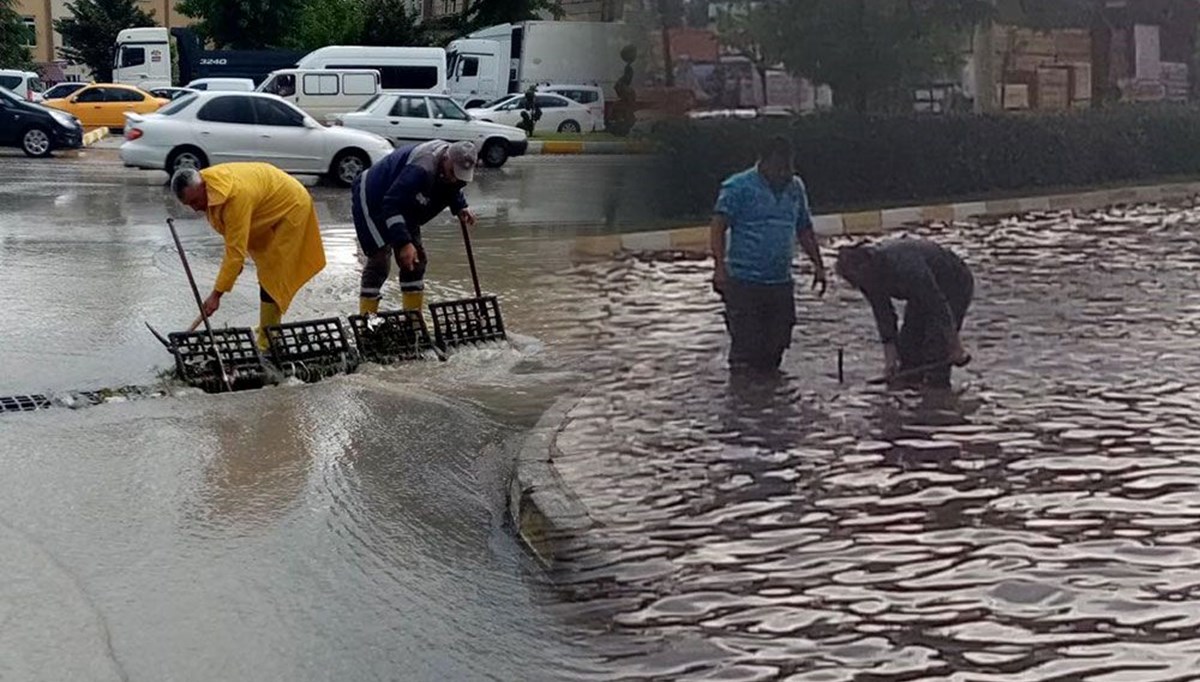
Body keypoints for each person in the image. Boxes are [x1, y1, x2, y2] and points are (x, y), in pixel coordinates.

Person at [171, 163, 327, 349]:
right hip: (268, 206)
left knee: (273, 275)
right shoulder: (209, 186)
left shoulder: (236, 196)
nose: (195, 209)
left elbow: (234, 252)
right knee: (267, 271)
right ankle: (268, 327)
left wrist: (215, 295)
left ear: (204, 185)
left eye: (195, 201)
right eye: (189, 205)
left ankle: (267, 342)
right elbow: (234, 243)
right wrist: (233, 268)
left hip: (292, 207)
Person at [711, 136, 827, 373]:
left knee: (777, 344)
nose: (784, 172)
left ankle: (771, 400)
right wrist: (719, 268)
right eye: (778, 166)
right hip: (744, 281)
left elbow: (804, 228)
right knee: (746, 348)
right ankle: (745, 401)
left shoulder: (795, 188)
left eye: (788, 166)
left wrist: (819, 265)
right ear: (763, 162)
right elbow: (718, 226)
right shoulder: (738, 187)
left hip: (780, 281)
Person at [352, 139, 478, 315]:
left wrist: (460, 207)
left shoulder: (451, 173)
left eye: (460, 175)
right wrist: (403, 243)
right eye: (452, 172)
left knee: (415, 261)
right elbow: (392, 204)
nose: (454, 178)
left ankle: (413, 320)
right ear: (446, 158)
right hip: (373, 195)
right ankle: (367, 320)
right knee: (379, 260)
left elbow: (453, 186)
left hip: (404, 199)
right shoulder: (422, 168)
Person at [835, 238, 973, 387]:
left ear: (865, 267)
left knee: (937, 348)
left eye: (854, 279)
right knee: (908, 348)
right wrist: (890, 362)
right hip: (919, 292)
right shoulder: (866, 279)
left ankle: (939, 395)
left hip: (954, 283)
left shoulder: (905, 266)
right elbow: (884, 316)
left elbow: (937, 305)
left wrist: (955, 347)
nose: (856, 285)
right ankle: (911, 394)